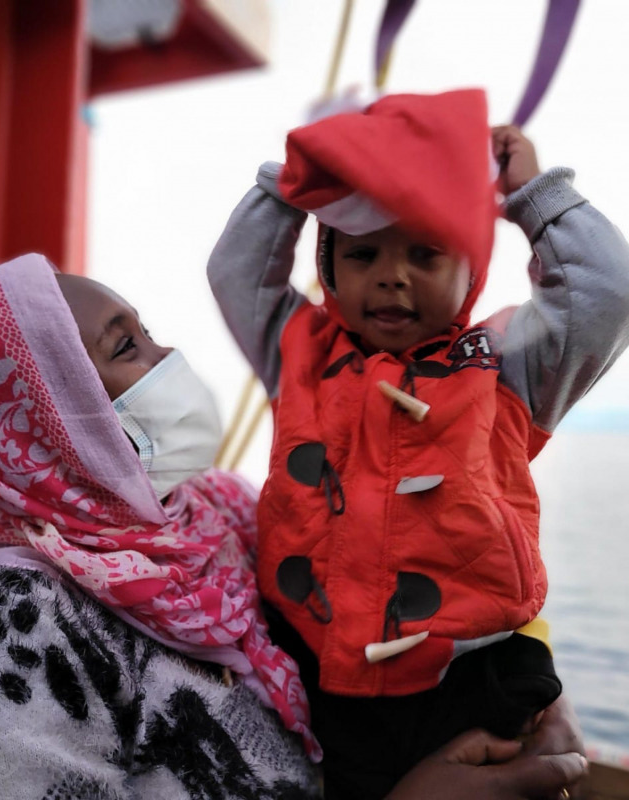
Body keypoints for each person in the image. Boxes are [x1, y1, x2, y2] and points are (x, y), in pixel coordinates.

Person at [0, 253, 588, 799]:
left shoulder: (223, 518)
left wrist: (519, 692)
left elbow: (383, 593)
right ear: (35, 421)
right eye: (126, 349)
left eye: (147, 333)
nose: (168, 359)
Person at [208, 89, 629, 799]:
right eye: (365, 252)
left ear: (471, 269)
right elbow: (237, 271)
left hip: (473, 679)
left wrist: (533, 195)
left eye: (427, 253)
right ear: (330, 266)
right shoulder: (297, 352)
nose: (392, 275)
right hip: (319, 670)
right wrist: (297, 176)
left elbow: (605, 292)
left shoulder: (509, 364)